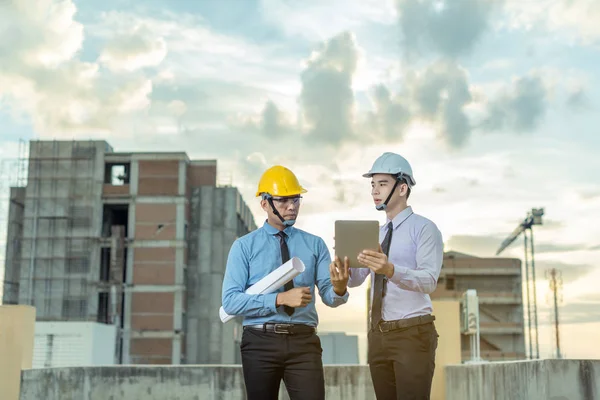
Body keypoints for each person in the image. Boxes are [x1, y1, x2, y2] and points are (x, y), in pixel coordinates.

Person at [221, 165, 350, 400]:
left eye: (296, 200)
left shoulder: (315, 245)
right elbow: (230, 302)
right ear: (264, 204)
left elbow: (331, 297)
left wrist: (340, 288)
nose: (292, 207)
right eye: (282, 201)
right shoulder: (244, 247)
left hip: (304, 342)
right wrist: (280, 299)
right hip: (260, 342)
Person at [332, 152, 444, 399]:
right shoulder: (375, 234)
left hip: (412, 334)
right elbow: (357, 278)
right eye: (373, 184)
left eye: (382, 184)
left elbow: (429, 281)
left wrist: (390, 270)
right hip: (378, 336)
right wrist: (343, 271)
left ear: (402, 188)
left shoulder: (425, 229)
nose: (375, 190)